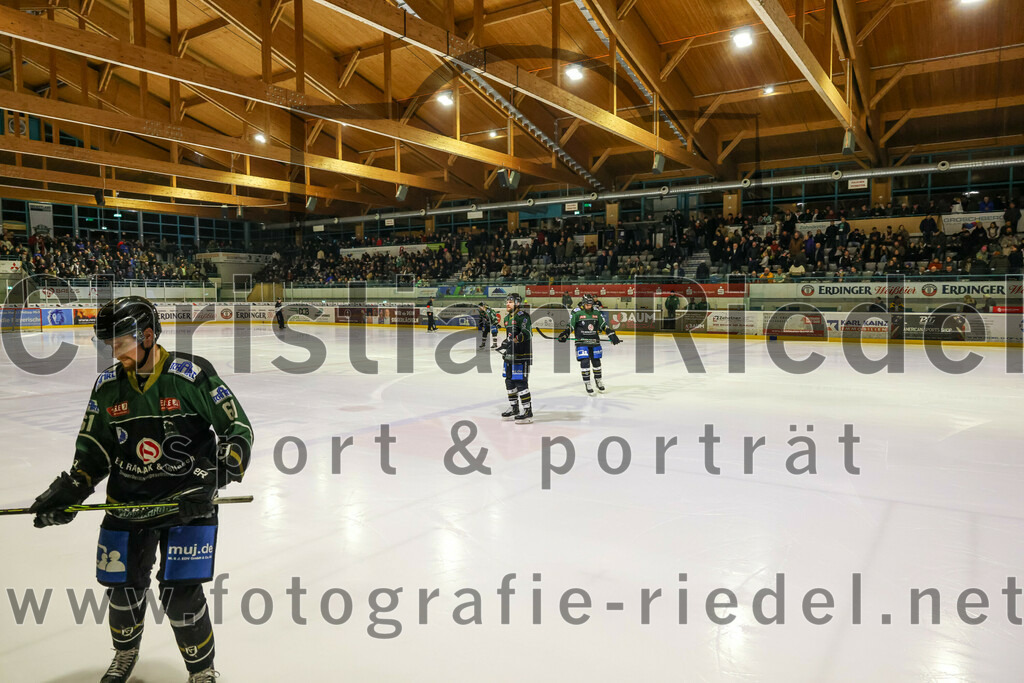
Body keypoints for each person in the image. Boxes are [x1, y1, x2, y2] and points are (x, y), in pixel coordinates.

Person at [28, 296, 253, 683]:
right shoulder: (107, 388)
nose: (113, 353)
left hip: (187, 502)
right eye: (109, 345)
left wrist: (214, 475)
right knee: (121, 591)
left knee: (181, 595)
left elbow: (238, 432)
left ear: (148, 335)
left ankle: (202, 672)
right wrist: (72, 489)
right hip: (126, 503)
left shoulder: (190, 375)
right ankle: (125, 654)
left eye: (120, 343)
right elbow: (93, 452)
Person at [558, 294, 622, 394]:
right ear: (583, 304)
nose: (589, 307)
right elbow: (571, 325)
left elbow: (602, 325)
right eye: (587, 305)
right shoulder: (576, 312)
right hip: (582, 341)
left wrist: (611, 334)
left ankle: (598, 380)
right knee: (585, 362)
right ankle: (587, 382)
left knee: (596, 362)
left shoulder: (596, 311)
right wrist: (566, 333)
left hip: (594, 340)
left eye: (591, 305)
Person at [497, 293, 533, 423]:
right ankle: (514, 408)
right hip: (510, 355)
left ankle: (528, 411)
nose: (507, 303)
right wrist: (506, 346)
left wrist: (513, 339)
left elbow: (527, 333)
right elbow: (509, 337)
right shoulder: (506, 318)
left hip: (521, 355)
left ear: (517, 303)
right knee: (509, 381)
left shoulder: (523, 317)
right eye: (507, 301)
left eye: (510, 302)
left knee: (520, 382)